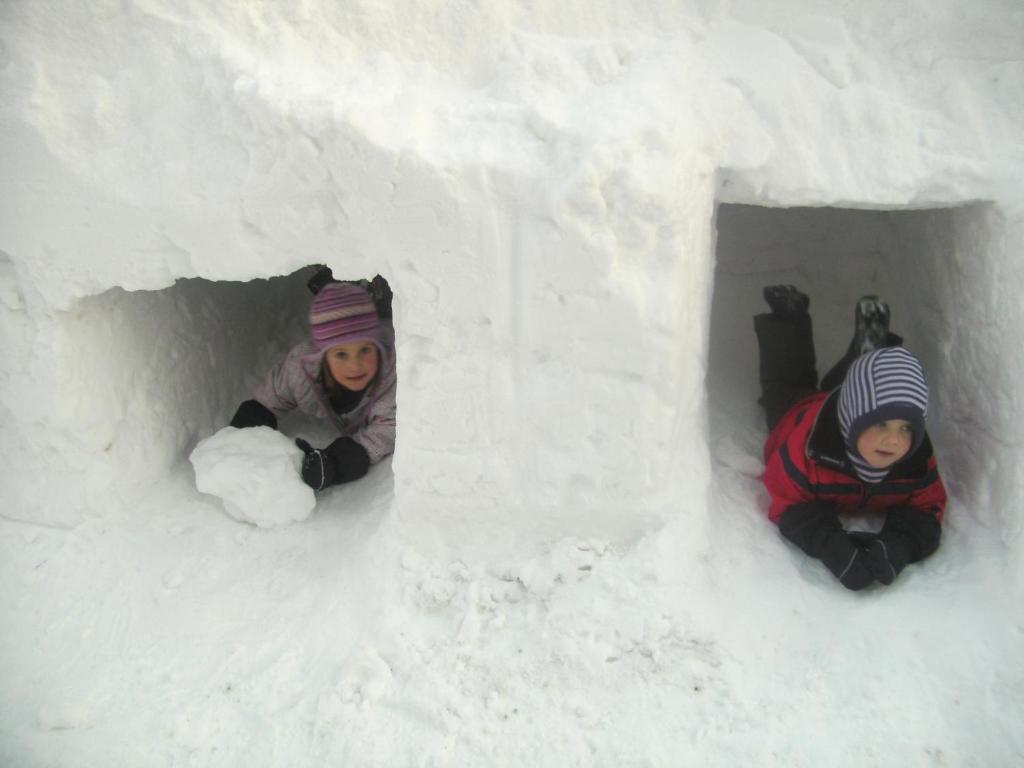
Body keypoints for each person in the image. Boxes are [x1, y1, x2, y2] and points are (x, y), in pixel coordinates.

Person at [755, 285, 946, 591]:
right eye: (882, 425)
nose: (894, 441)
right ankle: (789, 317)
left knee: (854, 388)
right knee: (787, 383)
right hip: (800, 414)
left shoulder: (915, 459)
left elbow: (929, 507)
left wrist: (897, 547)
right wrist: (832, 547)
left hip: (852, 406)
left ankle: (868, 355)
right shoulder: (808, 451)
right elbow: (788, 503)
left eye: (906, 428)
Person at [229, 271, 396, 492]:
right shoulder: (301, 370)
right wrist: (242, 437)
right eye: (341, 355)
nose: (355, 365)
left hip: (386, 323)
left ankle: (375, 290)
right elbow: (272, 396)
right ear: (322, 356)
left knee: (386, 307)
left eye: (365, 350)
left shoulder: (391, 383)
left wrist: (335, 463)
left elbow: (385, 433)